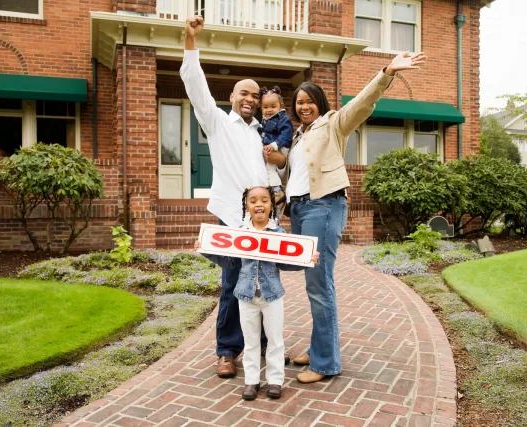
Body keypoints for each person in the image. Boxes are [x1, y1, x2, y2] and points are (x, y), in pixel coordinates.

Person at [266, 51, 428, 384]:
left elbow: (363, 104)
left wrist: (386, 73)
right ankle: (318, 347)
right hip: (299, 209)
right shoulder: (298, 136)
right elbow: (293, 175)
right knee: (313, 283)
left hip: (323, 206)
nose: (304, 107)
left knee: (319, 284)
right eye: (299, 103)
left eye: (310, 101)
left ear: (320, 103)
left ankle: (326, 363)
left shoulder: (334, 123)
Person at [180, 16, 285, 379]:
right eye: (244, 93)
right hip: (233, 215)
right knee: (233, 283)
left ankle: (266, 345)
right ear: (231, 97)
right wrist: (190, 40)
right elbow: (195, 85)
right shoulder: (218, 123)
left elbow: (273, 172)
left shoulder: (262, 133)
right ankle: (227, 350)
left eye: (256, 96)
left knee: (266, 281)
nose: (251, 99)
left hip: (265, 218)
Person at [196, 186, 319, 400]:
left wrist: (306, 261)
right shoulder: (240, 233)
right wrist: (205, 249)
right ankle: (251, 382)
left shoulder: (278, 234)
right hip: (246, 296)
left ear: (271, 205)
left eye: (264, 200)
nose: (258, 204)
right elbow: (229, 262)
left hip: (272, 296)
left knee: (275, 340)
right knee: (251, 341)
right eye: (253, 201)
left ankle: (275, 381)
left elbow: (286, 263)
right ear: (247, 206)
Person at [258, 86, 294, 219]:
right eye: (265, 107)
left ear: (280, 106)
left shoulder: (282, 118)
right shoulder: (264, 120)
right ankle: (275, 191)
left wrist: (274, 145)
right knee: (268, 170)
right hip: (273, 147)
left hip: (281, 147)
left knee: (269, 169)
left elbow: (286, 135)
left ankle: (278, 191)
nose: (269, 110)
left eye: (273, 106)